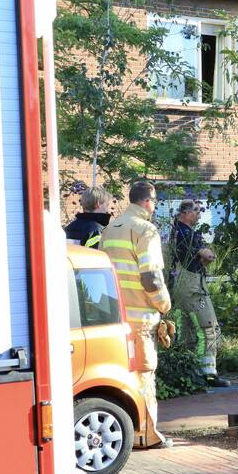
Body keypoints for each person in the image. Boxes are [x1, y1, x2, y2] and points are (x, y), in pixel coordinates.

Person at [103, 181, 173, 448]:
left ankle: (127, 433)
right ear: (148, 201)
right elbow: (151, 277)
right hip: (141, 319)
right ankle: (149, 436)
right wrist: (164, 305)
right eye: (154, 202)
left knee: (121, 376)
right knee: (145, 376)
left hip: (113, 317)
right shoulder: (146, 230)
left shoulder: (110, 228)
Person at [170, 199, 230, 388]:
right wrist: (207, 254)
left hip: (179, 286)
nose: (199, 214)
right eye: (196, 210)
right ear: (185, 213)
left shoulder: (174, 232)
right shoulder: (187, 234)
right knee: (209, 328)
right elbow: (209, 256)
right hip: (193, 288)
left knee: (185, 331)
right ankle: (208, 374)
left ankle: (188, 373)